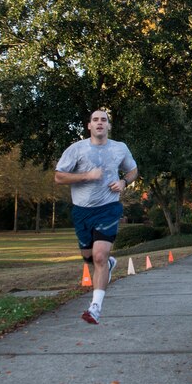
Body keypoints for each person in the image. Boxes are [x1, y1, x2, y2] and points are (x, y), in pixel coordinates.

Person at [55, 110, 138, 325]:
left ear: (109, 126)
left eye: (104, 120)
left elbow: (133, 170)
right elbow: (59, 176)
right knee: (87, 256)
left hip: (108, 207)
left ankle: (95, 308)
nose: (100, 123)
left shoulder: (119, 148)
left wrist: (123, 182)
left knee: (99, 256)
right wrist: (86, 175)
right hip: (82, 211)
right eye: (95, 120)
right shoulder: (76, 149)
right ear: (89, 126)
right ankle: (108, 265)